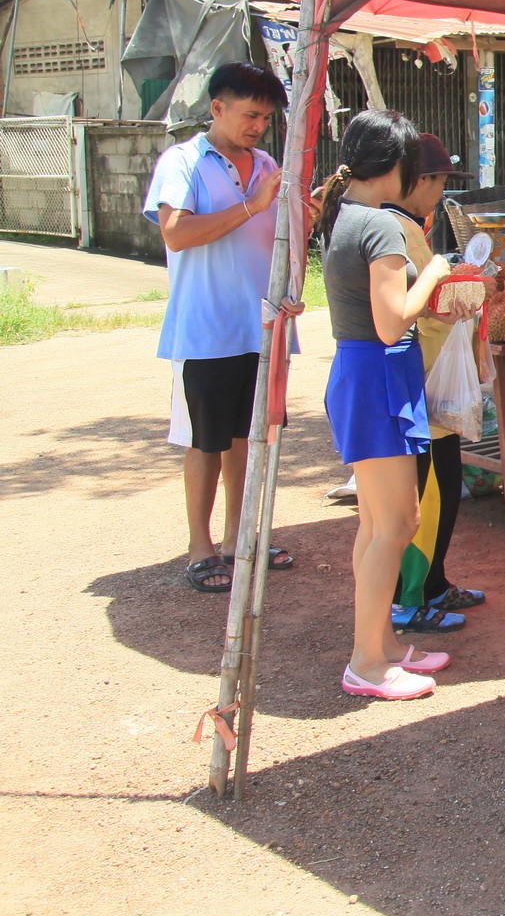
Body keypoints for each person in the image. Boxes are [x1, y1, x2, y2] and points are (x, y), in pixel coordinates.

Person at [316, 110, 475, 700]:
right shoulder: (381, 227)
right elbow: (390, 324)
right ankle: (366, 662)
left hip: (364, 375)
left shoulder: (348, 215)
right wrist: (433, 271)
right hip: (379, 374)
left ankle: (380, 644)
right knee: (398, 524)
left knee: (377, 524)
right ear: (398, 165)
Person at [148, 62, 301, 594]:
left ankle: (240, 539)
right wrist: (250, 205)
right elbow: (176, 234)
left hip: (260, 327)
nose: (259, 125)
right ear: (218, 108)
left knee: (247, 439)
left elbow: (279, 237)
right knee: (206, 441)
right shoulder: (183, 161)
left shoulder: (266, 164)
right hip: (207, 328)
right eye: (250, 114)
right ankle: (200, 548)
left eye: (266, 116)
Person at [381, 134, 486, 635]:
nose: (442, 194)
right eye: (441, 182)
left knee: (445, 485)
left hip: (428, 383)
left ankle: (436, 582)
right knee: (426, 495)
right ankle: (410, 598)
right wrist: (455, 296)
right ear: (419, 180)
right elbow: (413, 309)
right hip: (414, 380)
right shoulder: (394, 231)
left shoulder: (408, 228)